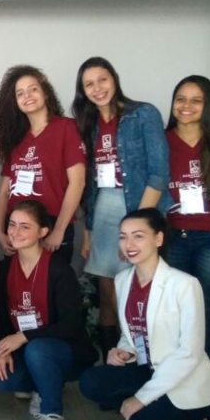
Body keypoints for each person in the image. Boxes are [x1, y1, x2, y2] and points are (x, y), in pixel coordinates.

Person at [79, 208, 210, 420]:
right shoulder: (123, 280)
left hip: (183, 381)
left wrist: (140, 399)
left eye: (138, 236)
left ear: (158, 239)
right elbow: (133, 332)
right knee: (91, 382)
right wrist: (124, 350)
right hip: (148, 369)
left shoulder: (185, 285)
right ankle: (172, 419)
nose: (129, 244)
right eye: (123, 237)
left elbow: (190, 353)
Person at [72, 57, 170, 360]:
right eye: (89, 83)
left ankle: (146, 360)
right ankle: (112, 360)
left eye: (102, 79)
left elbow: (159, 172)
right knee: (107, 292)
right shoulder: (88, 124)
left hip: (140, 207)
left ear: (114, 79)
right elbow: (89, 184)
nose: (97, 88)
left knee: (139, 289)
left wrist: (137, 227)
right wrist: (87, 232)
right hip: (102, 209)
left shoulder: (143, 114)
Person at [0, 201, 98, 420]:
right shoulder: (4, 269)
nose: (15, 232)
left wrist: (24, 336)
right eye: (12, 225)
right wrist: (2, 349)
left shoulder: (59, 269)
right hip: (26, 348)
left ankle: (53, 414)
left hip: (62, 351)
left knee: (39, 349)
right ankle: (41, 385)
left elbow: (70, 325)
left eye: (25, 227)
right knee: (0, 378)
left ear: (43, 232)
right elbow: (1, 319)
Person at [0, 65, 86, 263]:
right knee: (15, 288)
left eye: (33, 89)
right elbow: (4, 191)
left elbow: (77, 183)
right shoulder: (15, 137)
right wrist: (0, 231)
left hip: (51, 226)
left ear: (45, 92)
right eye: (20, 93)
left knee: (50, 289)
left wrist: (59, 231)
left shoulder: (67, 128)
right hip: (16, 228)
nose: (27, 95)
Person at [165, 75, 210, 360]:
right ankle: (174, 376)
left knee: (205, 308)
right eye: (180, 99)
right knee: (174, 309)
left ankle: (203, 377)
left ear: (208, 105)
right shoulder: (163, 141)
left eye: (196, 100)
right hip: (172, 237)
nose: (186, 106)